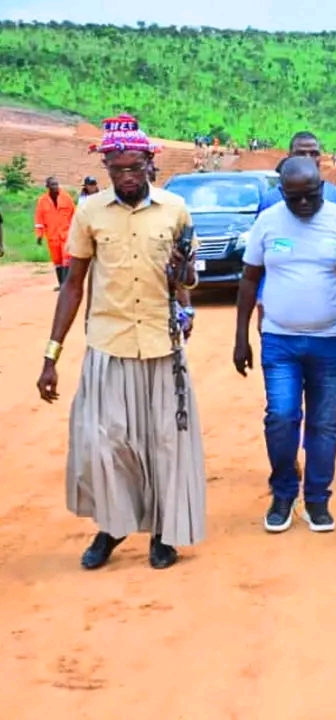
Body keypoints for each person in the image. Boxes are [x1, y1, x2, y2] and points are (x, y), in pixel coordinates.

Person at [35, 114, 206, 570]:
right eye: (118, 169)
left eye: (134, 167)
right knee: (106, 442)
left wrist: (184, 286)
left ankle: (163, 536)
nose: (127, 177)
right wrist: (51, 355)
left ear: (150, 163)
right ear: (107, 168)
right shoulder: (90, 212)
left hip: (161, 346)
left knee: (165, 444)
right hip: (109, 345)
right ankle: (112, 527)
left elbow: (186, 280)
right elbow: (73, 285)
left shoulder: (175, 210)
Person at [233, 157, 336, 533]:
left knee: (324, 423)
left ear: (323, 186)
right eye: (294, 197)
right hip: (279, 339)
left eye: (310, 196)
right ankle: (283, 491)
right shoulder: (268, 222)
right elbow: (250, 280)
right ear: (282, 192)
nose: (303, 204)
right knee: (281, 417)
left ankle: (317, 499)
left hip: (330, 339)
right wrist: (240, 337)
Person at [34, 176, 77, 289]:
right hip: (52, 236)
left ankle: (65, 285)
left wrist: (76, 232)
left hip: (66, 234)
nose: (56, 186)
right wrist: (39, 235)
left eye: (57, 184)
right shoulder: (42, 201)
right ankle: (61, 284)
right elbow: (39, 219)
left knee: (66, 259)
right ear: (47, 186)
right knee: (57, 260)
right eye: (53, 184)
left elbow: (74, 215)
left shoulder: (66, 198)